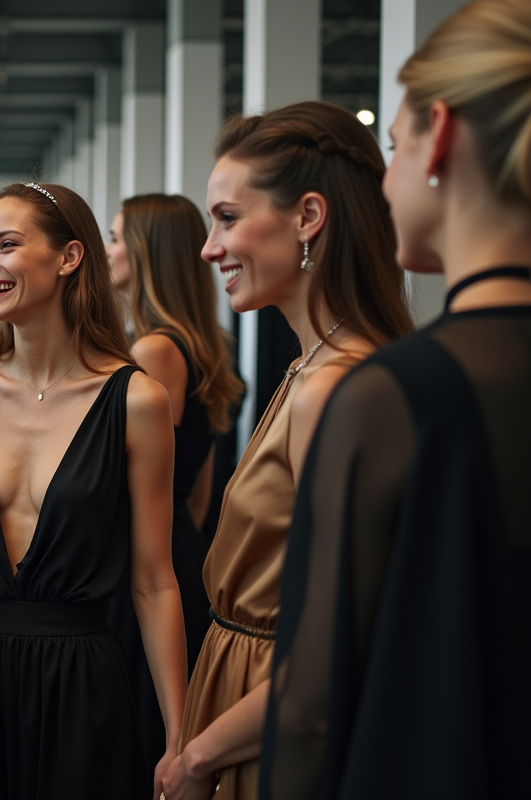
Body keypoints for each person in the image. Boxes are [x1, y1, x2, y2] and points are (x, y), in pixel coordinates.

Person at [262, 3, 531, 798]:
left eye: (394, 146)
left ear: (440, 135)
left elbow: (313, 707)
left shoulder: (387, 395)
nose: (386, 181)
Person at [0, 182, 187, 800]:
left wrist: (179, 734)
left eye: (7, 244)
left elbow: (154, 580)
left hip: (82, 676)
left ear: (69, 258)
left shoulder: (136, 399)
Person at [162, 102, 414, 800]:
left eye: (227, 218)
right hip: (241, 695)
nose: (210, 248)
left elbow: (341, 651)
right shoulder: (310, 367)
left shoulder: (333, 386)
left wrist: (198, 756)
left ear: (308, 217)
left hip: (266, 718)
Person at [104, 194, 245, 795]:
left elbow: (125, 489)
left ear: (144, 252)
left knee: (135, 743)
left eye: (115, 237)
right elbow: (196, 494)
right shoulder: (203, 341)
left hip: (145, 562)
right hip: (181, 549)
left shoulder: (154, 350)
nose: (108, 250)